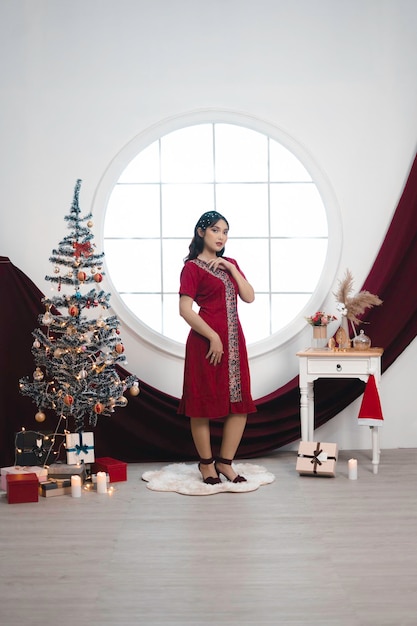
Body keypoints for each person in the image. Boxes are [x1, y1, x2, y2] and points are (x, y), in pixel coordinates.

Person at [178, 210, 257, 484]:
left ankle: (225, 463)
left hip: (235, 342)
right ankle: (206, 464)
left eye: (225, 231)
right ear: (201, 232)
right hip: (205, 343)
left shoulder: (230, 263)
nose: (221, 236)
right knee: (202, 403)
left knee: (239, 405)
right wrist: (213, 336)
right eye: (215, 230)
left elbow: (249, 297)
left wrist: (232, 269)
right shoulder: (191, 268)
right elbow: (185, 310)